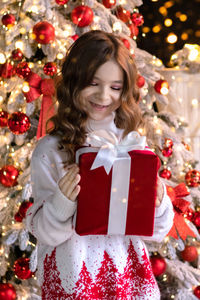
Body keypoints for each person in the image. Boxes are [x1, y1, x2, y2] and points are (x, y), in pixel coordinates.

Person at [26, 30, 174, 299]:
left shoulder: (131, 143)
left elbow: (157, 231)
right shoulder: (50, 150)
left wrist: (158, 197)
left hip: (125, 277)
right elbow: (43, 232)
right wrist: (62, 202)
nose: (104, 95)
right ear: (74, 82)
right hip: (75, 277)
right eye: (93, 83)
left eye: (115, 87)